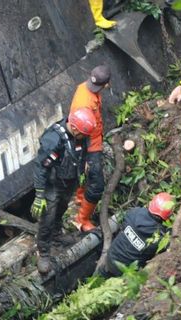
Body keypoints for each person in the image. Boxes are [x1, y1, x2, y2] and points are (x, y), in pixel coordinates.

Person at [31, 108, 97, 274]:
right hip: (52, 184)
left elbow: (82, 152)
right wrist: (39, 194)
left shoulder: (81, 135)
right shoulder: (53, 141)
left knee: (61, 208)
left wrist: (82, 170)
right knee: (48, 216)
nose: (85, 137)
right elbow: (40, 167)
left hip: (69, 179)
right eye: (83, 134)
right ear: (74, 128)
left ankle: (56, 235)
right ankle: (44, 252)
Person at [70, 65, 111, 232]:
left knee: (82, 175)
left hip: (93, 140)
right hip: (88, 145)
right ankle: (82, 219)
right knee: (97, 184)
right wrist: (86, 157)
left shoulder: (85, 88)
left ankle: (80, 199)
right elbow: (80, 132)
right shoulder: (84, 103)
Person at [99, 192, 175, 278]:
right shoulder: (159, 237)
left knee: (99, 280)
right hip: (126, 273)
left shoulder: (134, 212)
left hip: (110, 258)